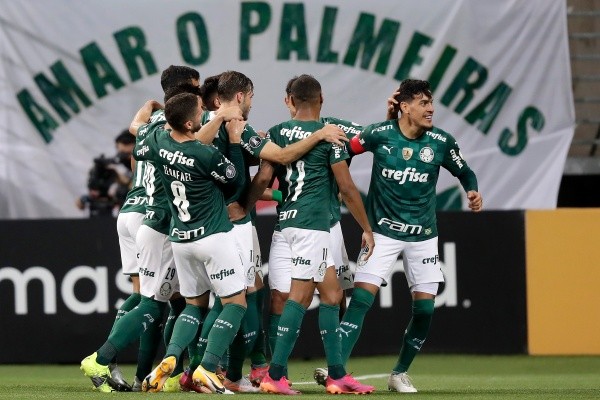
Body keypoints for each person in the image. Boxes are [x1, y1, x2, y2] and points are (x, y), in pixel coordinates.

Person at [315, 79, 483, 393]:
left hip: (423, 235)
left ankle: (399, 373)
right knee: (361, 300)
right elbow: (344, 152)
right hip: (382, 232)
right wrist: (337, 183)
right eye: (422, 103)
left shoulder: (440, 142)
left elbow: (464, 171)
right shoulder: (380, 134)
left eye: (431, 103)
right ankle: (335, 369)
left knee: (425, 310)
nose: (430, 109)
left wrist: (472, 189)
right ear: (405, 107)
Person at [186, 70, 349, 392]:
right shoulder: (234, 127)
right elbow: (282, 156)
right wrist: (318, 135)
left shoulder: (198, 124)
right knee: (234, 299)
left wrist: (274, 194)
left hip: (194, 224)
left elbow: (249, 174)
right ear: (240, 97)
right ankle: (209, 368)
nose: (251, 104)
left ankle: (237, 369)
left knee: (227, 296)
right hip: (229, 225)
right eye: (251, 97)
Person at [253, 74, 375, 395]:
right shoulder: (329, 135)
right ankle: (275, 374)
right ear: (321, 99)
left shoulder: (278, 133)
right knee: (301, 296)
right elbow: (347, 188)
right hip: (312, 224)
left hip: (287, 224)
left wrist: (243, 205)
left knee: (333, 295)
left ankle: (337, 374)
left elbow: (263, 178)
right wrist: (366, 228)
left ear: (290, 101)